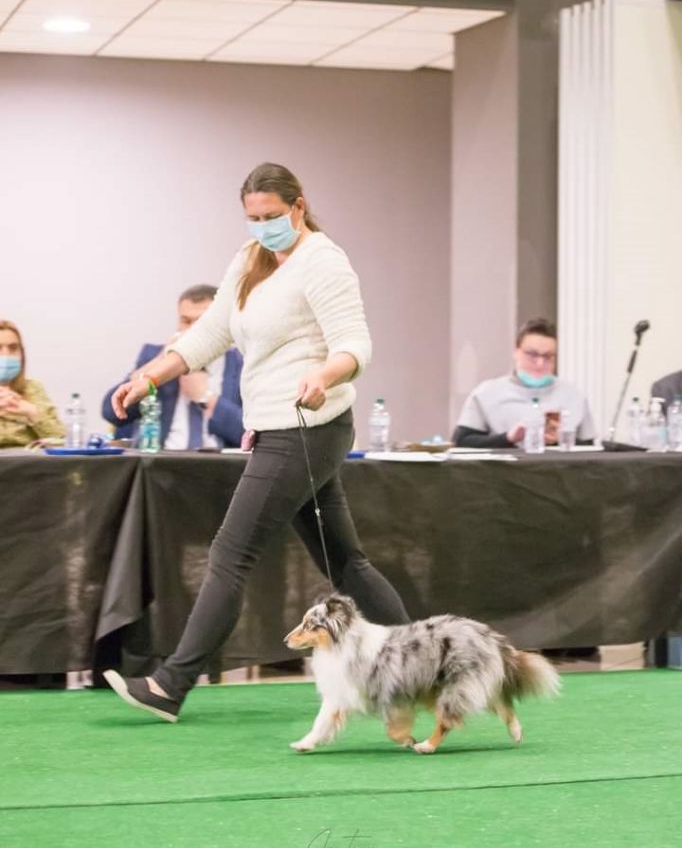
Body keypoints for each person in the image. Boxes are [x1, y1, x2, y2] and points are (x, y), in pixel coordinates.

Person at [103, 162, 409, 721]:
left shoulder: (324, 263)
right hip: (281, 427)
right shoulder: (250, 260)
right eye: (252, 218)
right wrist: (149, 375)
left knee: (229, 554)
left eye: (272, 216)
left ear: (298, 206)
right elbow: (211, 332)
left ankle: (171, 685)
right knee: (347, 564)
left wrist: (325, 375)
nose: (263, 226)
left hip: (306, 428)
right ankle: (417, 664)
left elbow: (355, 344)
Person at [101, 285, 244, 450]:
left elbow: (249, 434)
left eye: (201, 322)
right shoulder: (153, 356)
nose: (192, 330)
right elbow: (111, 413)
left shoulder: (240, 363)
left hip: (219, 466)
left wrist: (206, 397)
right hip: (161, 463)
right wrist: (162, 361)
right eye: (186, 321)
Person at [453, 317, 596, 448]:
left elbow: (591, 449)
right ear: (516, 352)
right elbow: (461, 442)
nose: (540, 363)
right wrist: (508, 438)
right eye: (532, 355)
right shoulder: (486, 393)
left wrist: (561, 439)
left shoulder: (574, 395)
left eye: (548, 356)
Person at [0, 319, 65, 448]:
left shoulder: (34, 389)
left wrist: (32, 413)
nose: (6, 355)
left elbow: (61, 441)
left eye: (13, 348)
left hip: (29, 464)